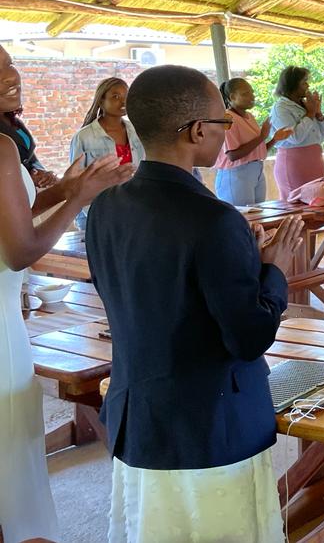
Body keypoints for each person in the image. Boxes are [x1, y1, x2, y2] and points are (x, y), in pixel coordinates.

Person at [86, 65, 303, 543]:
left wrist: (240, 259)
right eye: (223, 123)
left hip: (139, 421)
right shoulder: (215, 220)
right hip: (209, 431)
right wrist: (274, 271)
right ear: (198, 131)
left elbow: (142, 293)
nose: (227, 132)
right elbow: (248, 338)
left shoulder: (106, 207)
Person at [0, 46, 132, 542]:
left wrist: (66, 188)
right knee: (11, 461)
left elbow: (11, 208)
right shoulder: (1, 147)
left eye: (10, 61)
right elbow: (20, 250)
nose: (13, 74)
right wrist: (81, 196)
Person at [70, 77, 145, 228]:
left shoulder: (136, 131)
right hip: (96, 214)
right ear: (101, 101)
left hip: (132, 212)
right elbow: (75, 182)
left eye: (126, 97)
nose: (123, 102)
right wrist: (94, 216)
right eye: (115, 97)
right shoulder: (84, 137)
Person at [215, 78, 293, 207]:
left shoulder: (249, 116)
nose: (252, 96)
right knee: (243, 219)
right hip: (236, 174)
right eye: (245, 94)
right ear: (232, 97)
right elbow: (232, 156)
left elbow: (257, 152)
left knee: (257, 217)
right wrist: (262, 136)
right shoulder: (227, 118)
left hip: (256, 171)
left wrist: (274, 139)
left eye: (252, 92)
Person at [269, 65, 324, 198]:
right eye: (304, 82)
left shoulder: (306, 105)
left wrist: (318, 113)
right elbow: (295, 137)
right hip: (294, 163)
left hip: (315, 160)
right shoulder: (280, 108)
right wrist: (310, 113)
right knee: (298, 206)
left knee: (319, 203)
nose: (308, 85)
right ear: (292, 85)